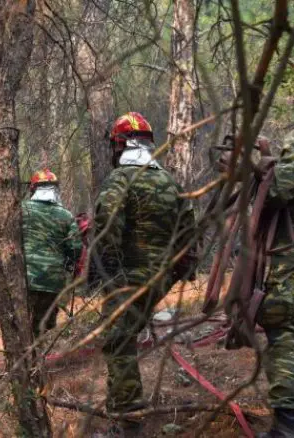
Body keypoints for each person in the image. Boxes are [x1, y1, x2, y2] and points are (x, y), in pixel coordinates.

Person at [92, 112, 197, 436]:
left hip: (128, 279)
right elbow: (189, 238)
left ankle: (127, 426)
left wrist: (110, 278)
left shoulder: (121, 179)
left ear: (119, 144)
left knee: (118, 343)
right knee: (124, 338)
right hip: (159, 279)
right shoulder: (170, 182)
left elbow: (107, 229)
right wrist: (172, 276)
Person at [219, 130, 294, 438]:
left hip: (290, 278)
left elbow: (274, 188)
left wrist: (252, 167)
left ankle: (289, 425)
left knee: (287, 339)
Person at [22, 169, 82, 338]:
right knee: (43, 326)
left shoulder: (21, 210)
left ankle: (26, 359)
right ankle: (39, 359)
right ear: (55, 190)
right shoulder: (66, 215)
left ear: (33, 189)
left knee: (22, 323)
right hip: (52, 281)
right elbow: (76, 249)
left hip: (25, 278)